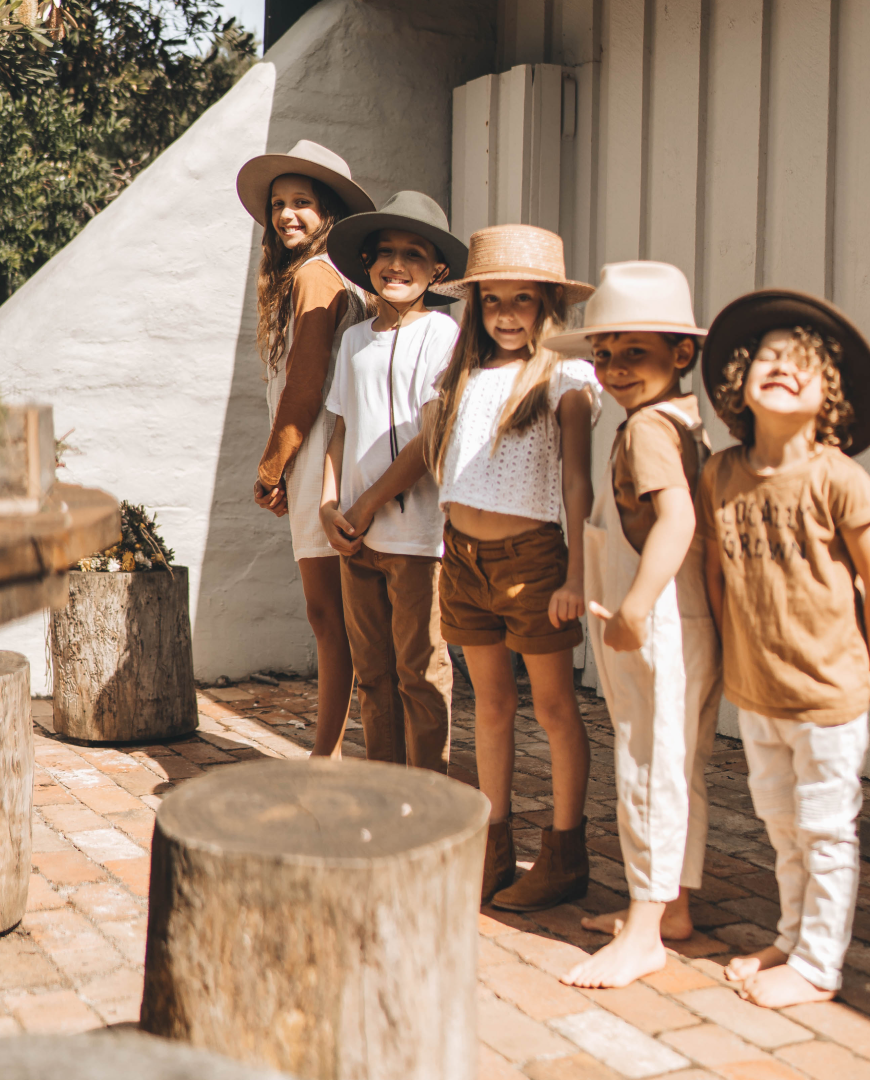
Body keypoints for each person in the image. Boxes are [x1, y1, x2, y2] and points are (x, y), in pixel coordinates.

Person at [696, 289, 870, 1008]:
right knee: (781, 825)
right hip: (759, 693)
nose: (782, 369)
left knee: (823, 829)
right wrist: (731, 661)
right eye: (768, 358)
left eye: (802, 365)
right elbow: (717, 576)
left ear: (830, 398)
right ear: (740, 382)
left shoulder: (838, 478)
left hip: (827, 693)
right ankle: (792, 938)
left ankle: (820, 965)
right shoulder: (720, 474)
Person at [543, 262, 721, 987]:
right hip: (685, 617)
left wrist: (637, 606)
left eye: (634, 353)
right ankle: (672, 907)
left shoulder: (648, 429)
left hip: (656, 618)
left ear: (682, 354)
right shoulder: (682, 420)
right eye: (605, 354)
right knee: (679, 765)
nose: (614, 369)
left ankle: (645, 929)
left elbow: (676, 518)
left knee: (648, 767)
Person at [425, 224, 600, 911]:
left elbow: (578, 485)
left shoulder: (565, 376)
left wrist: (576, 576)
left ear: (548, 304)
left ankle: (564, 855)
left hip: (533, 559)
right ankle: (493, 847)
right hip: (463, 557)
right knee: (490, 705)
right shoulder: (466, 373)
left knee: (555, 707)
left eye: (521, 300)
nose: (504, 315)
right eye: (492, 301)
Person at [319, 192, 468, 772]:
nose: (397, 264)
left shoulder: (443, 337)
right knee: (372, 673)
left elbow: (430, 441)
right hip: (355, 538)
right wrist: (331, 505)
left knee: (420, 672)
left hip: (415, 540)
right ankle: (382, 791)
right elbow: (340, 429)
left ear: (438, 270)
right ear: (367, 264)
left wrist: (367, 504)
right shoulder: (355, 339)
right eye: (385, 252)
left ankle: (429, 797)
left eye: (413, 253)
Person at [236, 140, 375, 758]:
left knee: (329, 616)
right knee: (343, 616)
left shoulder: (317, 276)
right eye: (279, 204)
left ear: (329, 215)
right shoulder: (325, 274)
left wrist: (273, 468)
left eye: (303, 203)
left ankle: (327, 754)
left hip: (320, 452)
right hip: (328, 454)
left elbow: (305, 383)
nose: (287, 215)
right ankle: (335, 749)